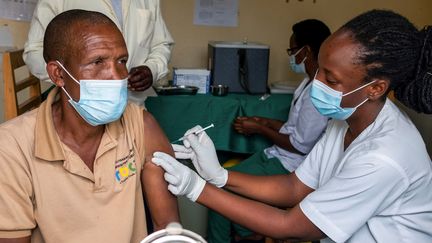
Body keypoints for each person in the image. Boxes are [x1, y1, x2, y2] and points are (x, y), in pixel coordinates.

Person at [152, 9, 432, 242]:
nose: (317, 84)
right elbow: (295, 187)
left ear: (376, 88)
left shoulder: (383, 157)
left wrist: (195, 186)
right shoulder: (346, 119)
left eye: (331, 80)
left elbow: (290, 225)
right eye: (319, 69)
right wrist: (220, 176)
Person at [0, 10, 179, 243]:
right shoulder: (12, 147)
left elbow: (168, 229)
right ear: (58, 74)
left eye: (122, 61)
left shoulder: (141, 126)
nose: (116, 76)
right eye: (97, 62)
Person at [201, 19, 330, 243]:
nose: (290, 57)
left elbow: (300, 145)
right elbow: (294, 129)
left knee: (218, 191)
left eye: (292, 50)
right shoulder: (308, 83)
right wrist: (263, 121)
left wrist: (260, 128)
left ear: (306, 51)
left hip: (290, 166)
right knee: (221, 181)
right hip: (276, 156)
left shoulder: (317, 93)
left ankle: (248, 234)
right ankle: (250, 232)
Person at [23, 0, 174, 105]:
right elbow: (34, 52)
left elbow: (161, 44)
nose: (114, 77)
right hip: (79, 107)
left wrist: (152, 69)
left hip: (133, 104)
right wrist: (72, 79)